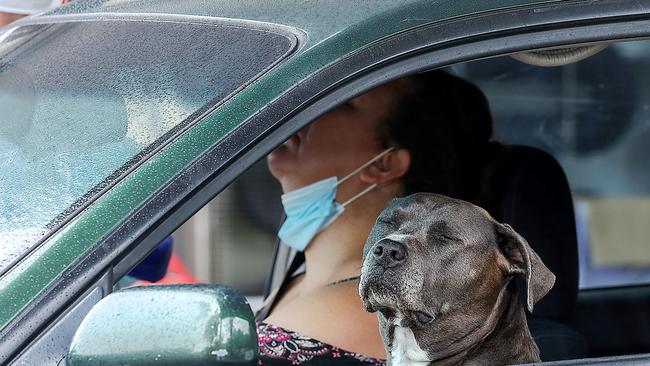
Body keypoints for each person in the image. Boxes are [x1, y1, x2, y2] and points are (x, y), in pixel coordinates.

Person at [257, 70, 495, 365]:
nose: (309, 109)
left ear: (384, 163)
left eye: (344, 102)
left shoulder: (375, 308)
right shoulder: (301, 281)